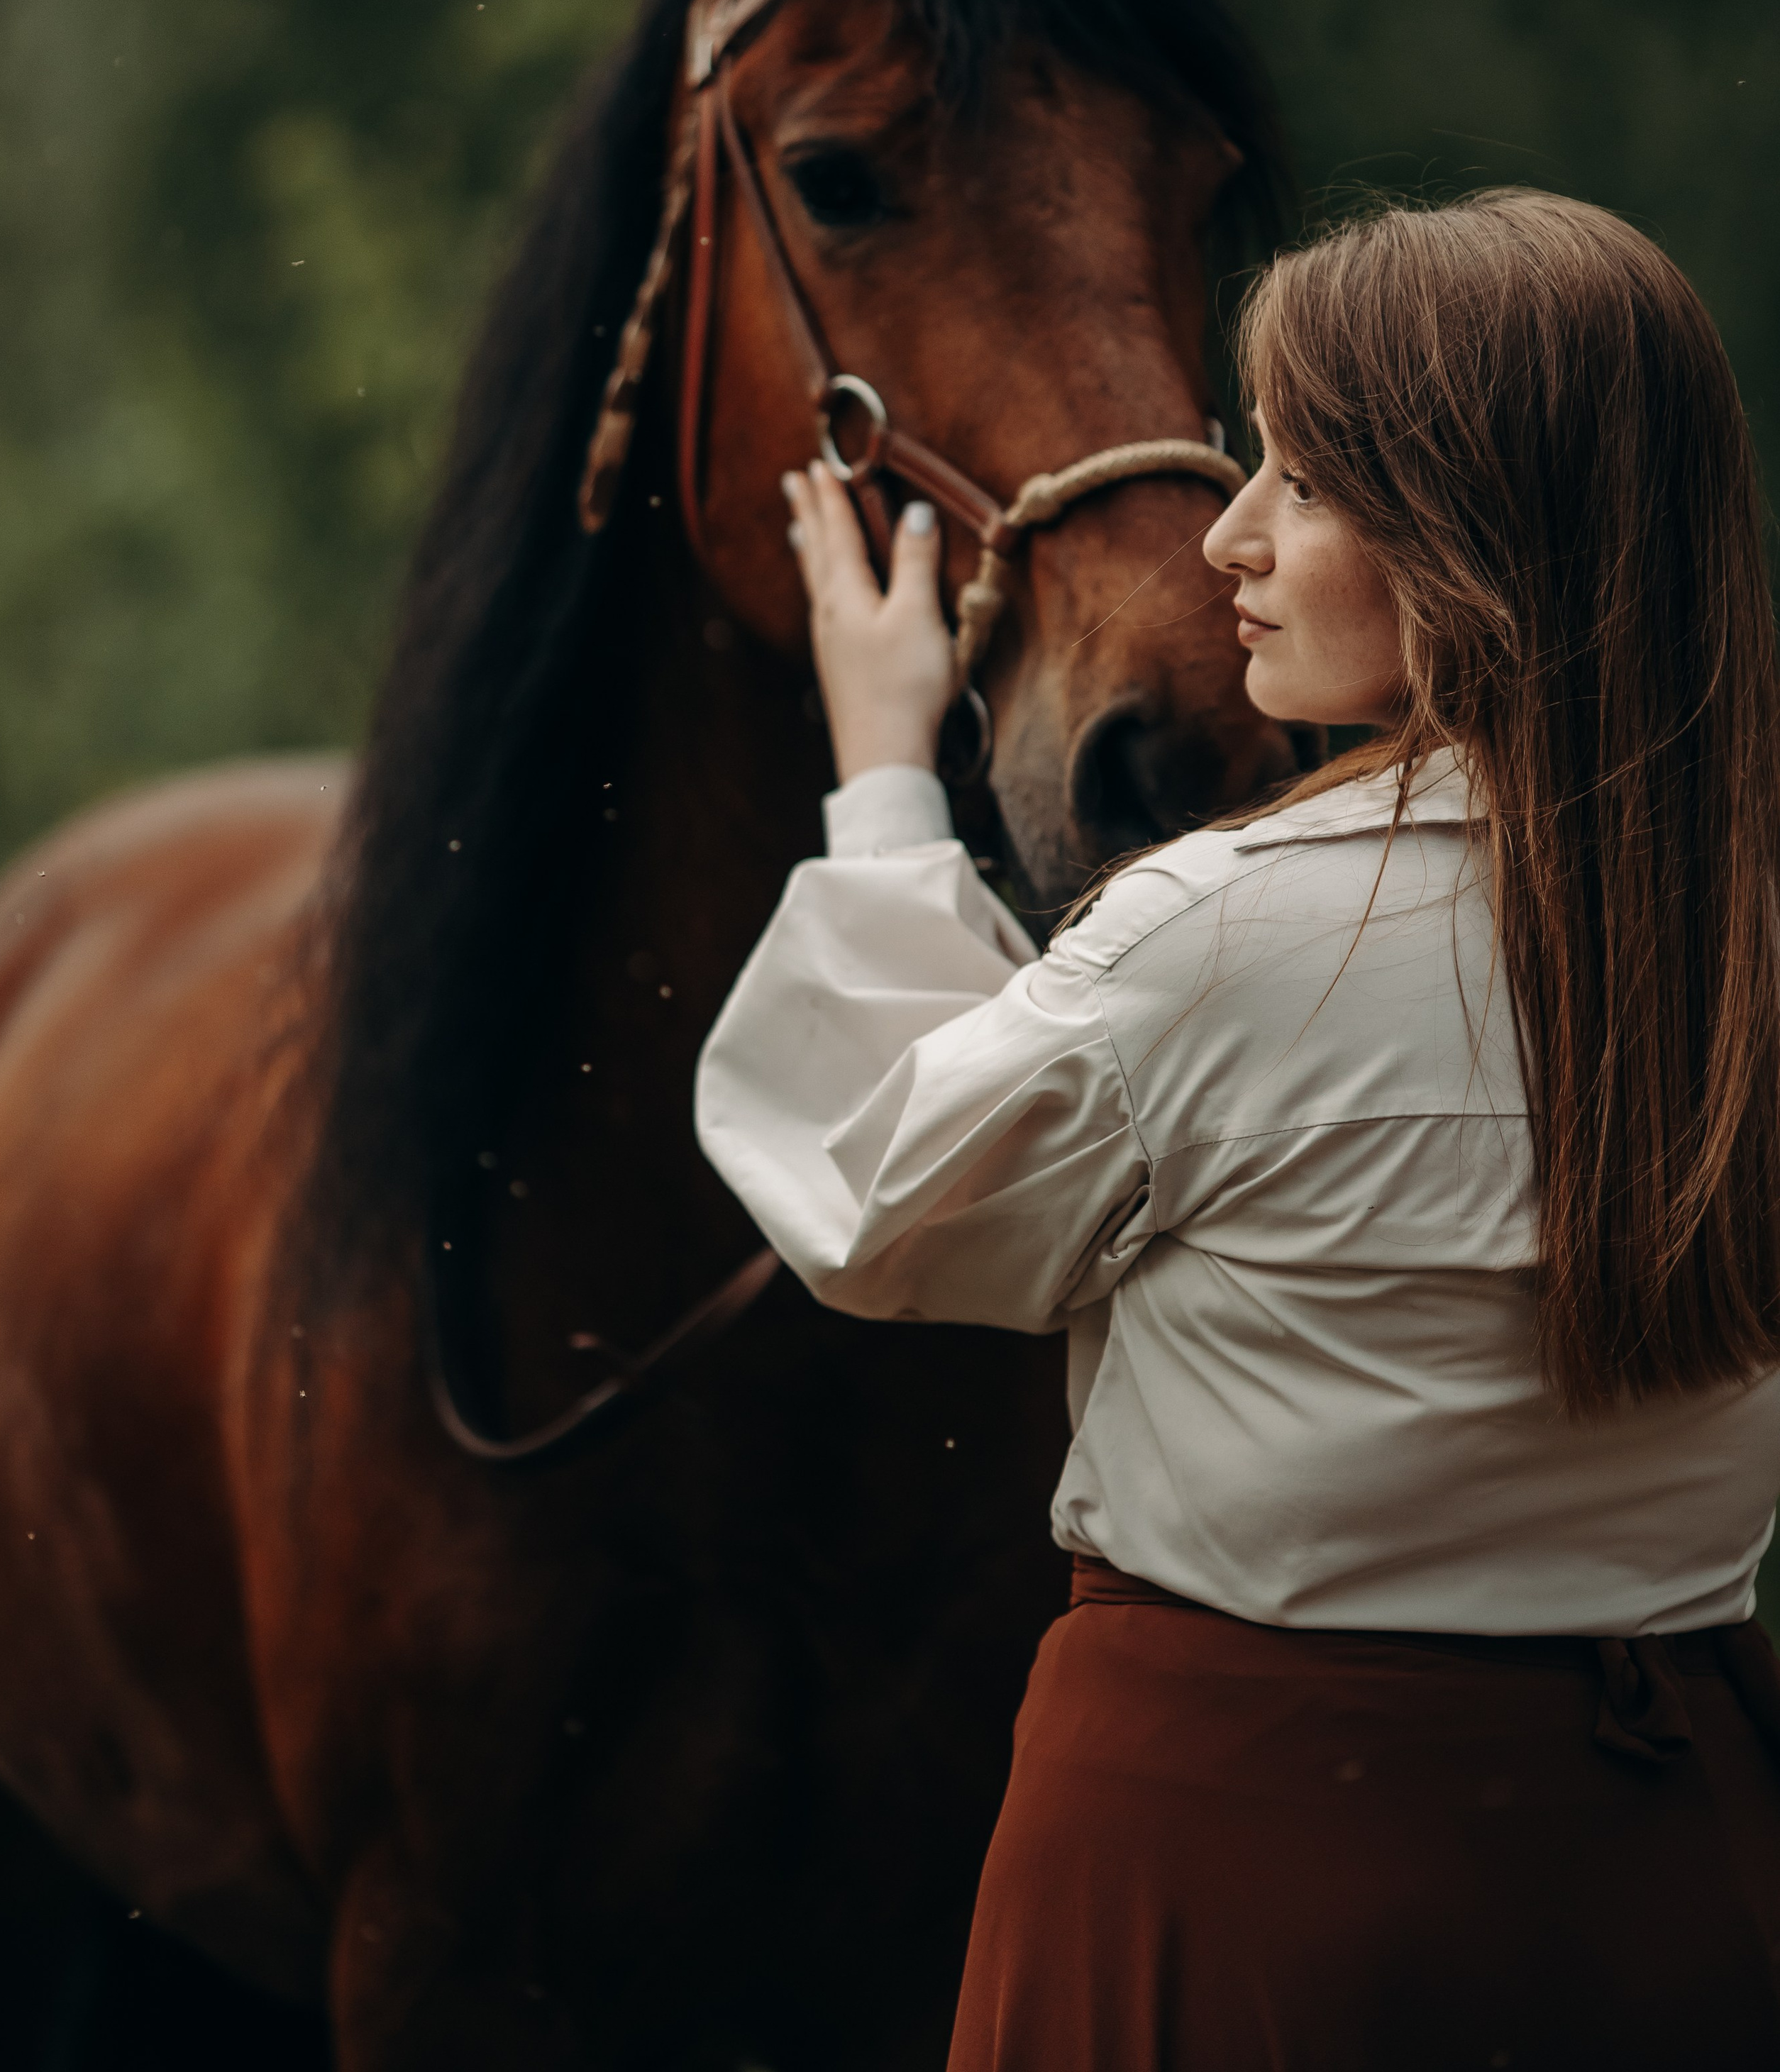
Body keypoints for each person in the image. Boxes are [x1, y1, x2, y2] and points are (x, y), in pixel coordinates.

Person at [694, 189, 1780, 2070]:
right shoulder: (1741, 935)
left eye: (1307, 478)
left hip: (1248, 1867)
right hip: (1678, 1875)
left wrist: (884, 779)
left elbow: (881, 1198)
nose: (1229, 535)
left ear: (1477, 535)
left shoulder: (1228, 935)